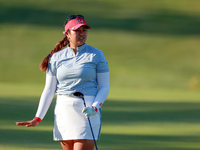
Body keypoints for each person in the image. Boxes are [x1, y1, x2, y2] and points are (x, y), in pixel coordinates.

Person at [16, 15, 109, 150]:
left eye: (84, 30)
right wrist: (38, 118)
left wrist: (95, 107)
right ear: (67, 34)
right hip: (64, 110)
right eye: (77, 30)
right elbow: (49, 90)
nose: (82, 34)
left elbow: (105, 86)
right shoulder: (56, 57)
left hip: (88, 109)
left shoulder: (96, 55)